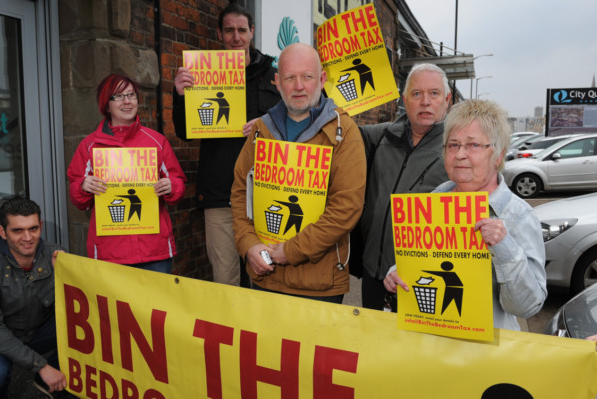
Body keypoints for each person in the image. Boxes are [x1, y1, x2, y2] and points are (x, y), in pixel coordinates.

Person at [384, 99, 547, 330]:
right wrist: (395, 274)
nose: (460, 154)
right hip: (431, 347)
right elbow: (415, 264)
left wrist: (504, 246)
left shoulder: (518, 216)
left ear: (498, 155)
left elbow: (527, 307)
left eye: (473, 145)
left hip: (485, 356)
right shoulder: (434, 200)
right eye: (453, 145)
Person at [231, 42, 366, 303]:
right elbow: (240, 193)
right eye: (290, 78)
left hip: (318, 287)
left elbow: (345, 208)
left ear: (322, 79)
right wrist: (248, 245)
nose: (299, 86)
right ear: (277, 82)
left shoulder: (344, 132)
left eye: (307, 76)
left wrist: (289, 251)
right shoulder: (261, 130)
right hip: (264, 277)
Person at [173, 3, 281, 287]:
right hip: (220, 193)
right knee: (225, 279)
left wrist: (267, 123)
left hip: (264, 192)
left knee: (264, 277)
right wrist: (181, 94)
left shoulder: (274, 73)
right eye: (229, 30)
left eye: (242, 30)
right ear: (220, 34)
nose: (236, 37)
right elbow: (185, 132)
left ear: (252, 32)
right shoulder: (201, 73)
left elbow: (294, 126)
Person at [68, 73, 186, 272]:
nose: (127, 101)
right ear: (107, 104)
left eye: (131, 95)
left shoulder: (156, 141)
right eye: (119, 96)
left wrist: (171, 185)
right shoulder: (89, 146)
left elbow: (178, 183)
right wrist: (82, 186)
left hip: (153, 250)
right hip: (110, 252)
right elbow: (78, 198)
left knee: (156, 304)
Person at [357, 63, 451, 311]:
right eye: (417, 94)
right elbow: (336, 135)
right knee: (375, 347)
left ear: (447, 100)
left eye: (434, 93)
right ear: (405, 99)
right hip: (373, 273)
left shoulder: (455, 150)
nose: (425, 102)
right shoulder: (381, 136)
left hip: (418, 279)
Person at [0, 197, 68, 398]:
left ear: (40, 226)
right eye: (17, 230)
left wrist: (65, 279)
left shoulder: (55, 255)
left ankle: (50, 379)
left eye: (33, 228)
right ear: (2, 232)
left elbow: (77, 307)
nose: (28, 237)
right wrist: (41, 365)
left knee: (84, 325)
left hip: (38, 331)